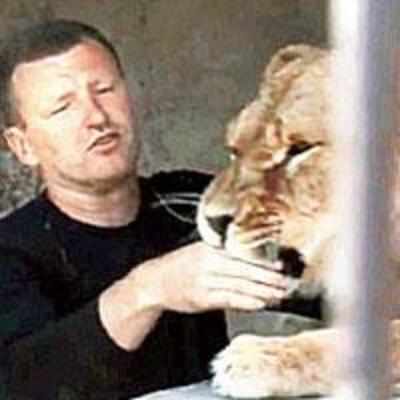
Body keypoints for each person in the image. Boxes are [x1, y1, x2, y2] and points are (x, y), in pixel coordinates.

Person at [0, 19, 289, 400]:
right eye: (62, 107)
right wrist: (147, 290)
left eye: (104, 90)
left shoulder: (190, 202)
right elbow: (24, 384)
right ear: (22, 146)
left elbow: (327, 273)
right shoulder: (11, 252)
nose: (97, 117)